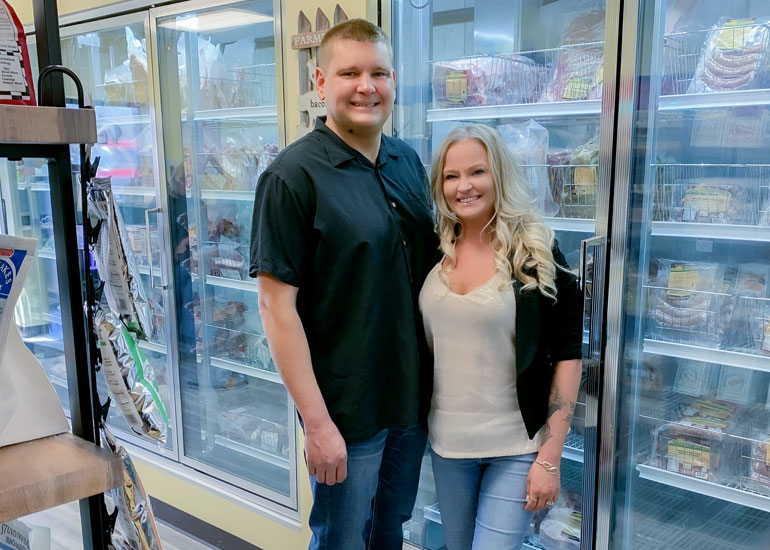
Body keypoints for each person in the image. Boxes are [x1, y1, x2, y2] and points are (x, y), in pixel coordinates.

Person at [249, 18, 438, 550]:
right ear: (320, 81)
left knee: (390, 532)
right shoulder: (292, 177)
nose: (366, 87)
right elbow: (275, 309)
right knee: (341, 540)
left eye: (379, 73)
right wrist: (316, 423)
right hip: (345, 411)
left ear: (394, 80)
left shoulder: (407, 161)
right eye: (350, 73)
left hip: (410, 400)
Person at [419, 124, 583, 550]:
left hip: (516, 445)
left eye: (478, 172)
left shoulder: (535, 252)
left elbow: (568, 355)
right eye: (451, 176)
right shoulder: (431, 247)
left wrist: (550, 458)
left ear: (500, 175)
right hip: (447, 445)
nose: (464, 186)